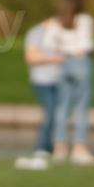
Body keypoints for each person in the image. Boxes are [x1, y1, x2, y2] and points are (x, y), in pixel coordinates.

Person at [13, 11, 65, 171]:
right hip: (42, 80)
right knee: (51, 112)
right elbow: (30, 57)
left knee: (58, 113)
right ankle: (42, 147)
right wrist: (52, 59)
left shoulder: (62, 32)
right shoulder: (37, 32)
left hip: (60, 80)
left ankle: (53, 147)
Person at [52, 0, 94, 166]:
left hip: (64, 62)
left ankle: (59, 147)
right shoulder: (85, 20)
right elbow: (87, 45)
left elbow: (54, 43)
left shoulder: (59, 20)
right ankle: (79, 148)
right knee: (81, 107)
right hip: (81, 61)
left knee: (62, 107)